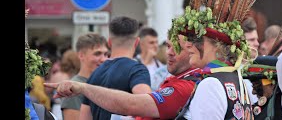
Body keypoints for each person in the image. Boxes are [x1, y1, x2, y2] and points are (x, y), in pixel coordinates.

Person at [167, 0, 268, 119]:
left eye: (198, 39)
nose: (189, 45)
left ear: (217, 45)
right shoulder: (241, 83)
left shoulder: (212, 84)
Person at [44, 34, 202, 119]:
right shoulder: (181, 79)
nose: (168, 52)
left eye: (178, 48)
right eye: (167, 45)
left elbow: (133, 104)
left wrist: (84, 88)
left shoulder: (187, 84)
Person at [81, 16, 152, 120]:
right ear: (137, 42)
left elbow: (84, 116)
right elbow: (148, 106)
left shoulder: (95, 74)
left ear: (109, 42)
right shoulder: (137, 70)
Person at [60, 33, 109, 120]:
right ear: (81, 55)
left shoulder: (106, 82)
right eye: (97, 54)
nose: (103, 59)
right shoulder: (72, 88)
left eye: (106, 54)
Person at [242, 49, 282, 120]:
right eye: (252, 85)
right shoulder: (251, 110)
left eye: (258, 85)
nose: (253, 92)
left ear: (272, 84)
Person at [241, 17, 260, 105]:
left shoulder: (259, 68)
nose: (257, 44)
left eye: (257, 39)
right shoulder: (230, 70)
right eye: (252, 40)